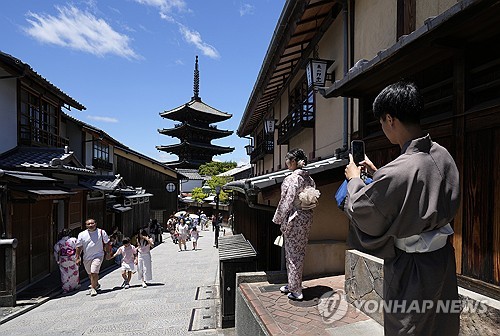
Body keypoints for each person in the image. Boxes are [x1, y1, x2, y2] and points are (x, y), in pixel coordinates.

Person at [343, 81, 460, 335]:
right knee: (440, 325)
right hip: (442, 261)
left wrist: (354, 180)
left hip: (412, 268)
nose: (383, 128)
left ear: (390, 118)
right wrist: (377, 175)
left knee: (407, 328)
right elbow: (412, 189)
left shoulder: (399, 170)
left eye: (382, 122)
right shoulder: (443, 155)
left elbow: (364, 210)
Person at [272, 148, 317, 301]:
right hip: (306, 218)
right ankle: (292, 284)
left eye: (287, 160)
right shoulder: (309, 179)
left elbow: (286, 200)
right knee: (298, 253)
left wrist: (278, 218)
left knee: (292, 255)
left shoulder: (292, 179)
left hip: (294, 218)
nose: (286, 163)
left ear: (293, 162)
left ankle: (297, 291)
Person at [75, 219, 110, 296]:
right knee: (90, 274)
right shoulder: (82, 234)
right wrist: (77, 257)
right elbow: (78, 246)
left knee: (94, 272)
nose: (91, 225)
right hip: (86, 257)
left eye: (92, 223)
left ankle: (93, 289)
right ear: (86, 225)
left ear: (95, 223)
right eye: (88, 224)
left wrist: (107, 253)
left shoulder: (101, 232)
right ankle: (96, 284)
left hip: (98, 255)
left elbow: (107, 243)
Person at [53, 229, 80, 293]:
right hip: (73, 257)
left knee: (64, 274)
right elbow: (78, 248)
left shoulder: (59, 243)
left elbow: (56, 252)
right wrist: (78, 257)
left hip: (63, 259)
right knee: (74, 272)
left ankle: (66, 288)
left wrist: (57, 259)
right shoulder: (74, 240)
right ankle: (75, 285)